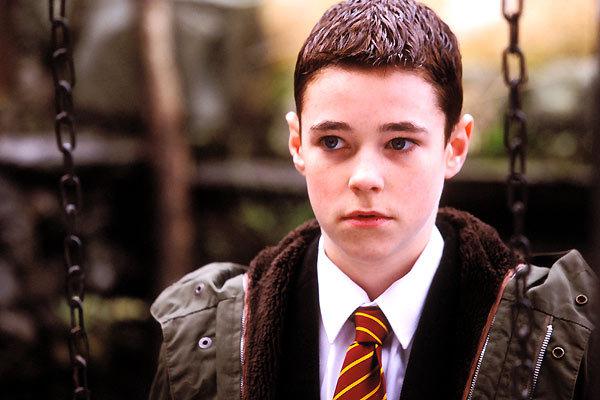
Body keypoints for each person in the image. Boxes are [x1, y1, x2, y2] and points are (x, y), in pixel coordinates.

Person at [149, 1, 598, 399]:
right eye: (332, 142)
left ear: (455, 146)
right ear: (297, 143)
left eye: (400, 143)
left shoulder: (558, 336)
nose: (365, 178)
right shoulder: (205, 339)